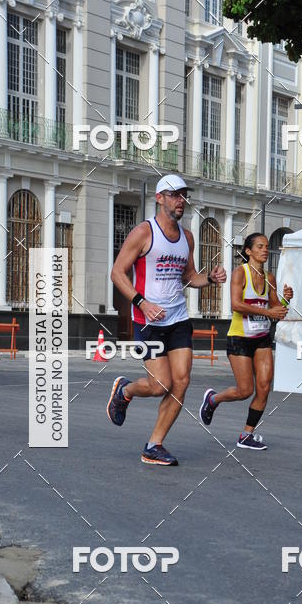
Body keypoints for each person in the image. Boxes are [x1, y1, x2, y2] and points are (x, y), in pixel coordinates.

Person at [107, 174, 226, 465]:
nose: (181, 201)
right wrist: (142, 302)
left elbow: (189, 277)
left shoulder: (187, 238)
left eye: (184, 195)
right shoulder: (144, 233)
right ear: (159, 198)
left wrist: (209, 278)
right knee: (160, 385)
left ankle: (154, 445)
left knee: (182, 382)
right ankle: (125, 390)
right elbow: (117, 273)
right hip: (146, 321)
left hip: (178, 319)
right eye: (174, 195)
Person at [199, 233, 293, 449]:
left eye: (267, 247)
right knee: (244, 391)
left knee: (264, 387)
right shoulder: (240, 273)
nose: (264, 250)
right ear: (248, 251)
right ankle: (213, 400)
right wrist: (269, 313)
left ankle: (246, 435)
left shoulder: (269, 278)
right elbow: (236, 305)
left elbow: (277, 310)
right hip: (239, 337)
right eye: (259, 246)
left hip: (261, 339)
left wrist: (286, 300)